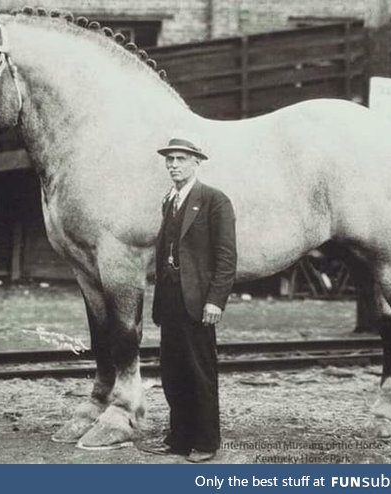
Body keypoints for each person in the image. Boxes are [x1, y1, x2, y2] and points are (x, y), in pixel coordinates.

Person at [149, 137, 237, 463]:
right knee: (173, 371)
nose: (173, 164)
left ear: (196, 162)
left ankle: (206, 441)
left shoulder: (214, 200)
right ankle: (179, 437)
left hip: (199, 302)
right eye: (169, 159)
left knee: (201, 370)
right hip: (170, 299)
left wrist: (216, 301)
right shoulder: (168, 200)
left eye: (181, 159)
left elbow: (227, 258)